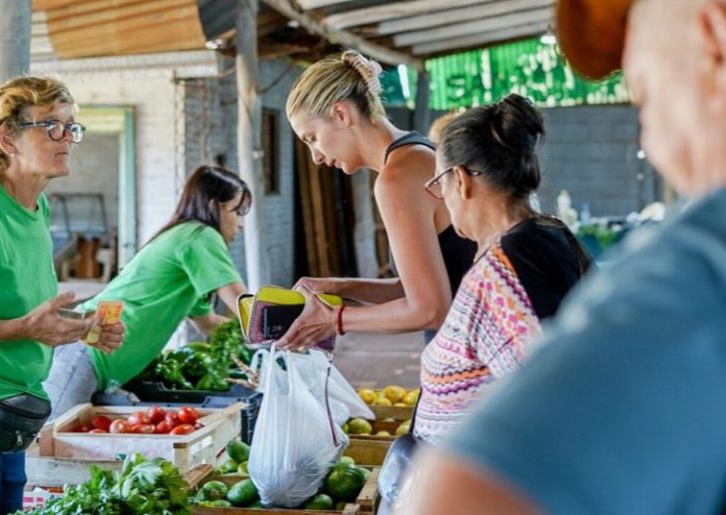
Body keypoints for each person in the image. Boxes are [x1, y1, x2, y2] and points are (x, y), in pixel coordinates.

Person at [396, 0, 726, 513]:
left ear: (714, 39)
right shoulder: (544, 237)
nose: (651, 139)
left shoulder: (699, 264)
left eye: (644, 93)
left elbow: (468, 495)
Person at [0, 76, 124, 514]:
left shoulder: (37, 206)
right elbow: (23, 322)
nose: (67, 138)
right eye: (52, 125)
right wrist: (24, 328)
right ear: (7, 137)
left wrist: (80, 329)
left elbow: (25, 311)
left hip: (13, 408)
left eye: (72, 127)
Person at [414, 94, 592, 446]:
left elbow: (550, 409)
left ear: (461, 180)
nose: (442, 199)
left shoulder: (503, 274)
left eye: (439, 185)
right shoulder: (549, 232)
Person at [279, 50, 477, 349]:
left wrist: (334, 319)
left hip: (474, 357)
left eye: (312, 138)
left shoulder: (397, 177)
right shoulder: (417, 151)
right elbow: (422, 285)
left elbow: (430, 310)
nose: (316, 157)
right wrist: (342, 287)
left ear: (341, 114)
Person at [43, 165, 250, 420]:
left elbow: (209, 324)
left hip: (91, 356)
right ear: (213, 205)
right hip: (85, 351)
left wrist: (253, 347)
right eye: (237, 212)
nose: (241, 224)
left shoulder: (186, 240)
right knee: (51, 445)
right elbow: (243, 304)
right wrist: (285, 331)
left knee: (64, 446)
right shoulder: (201, 236)